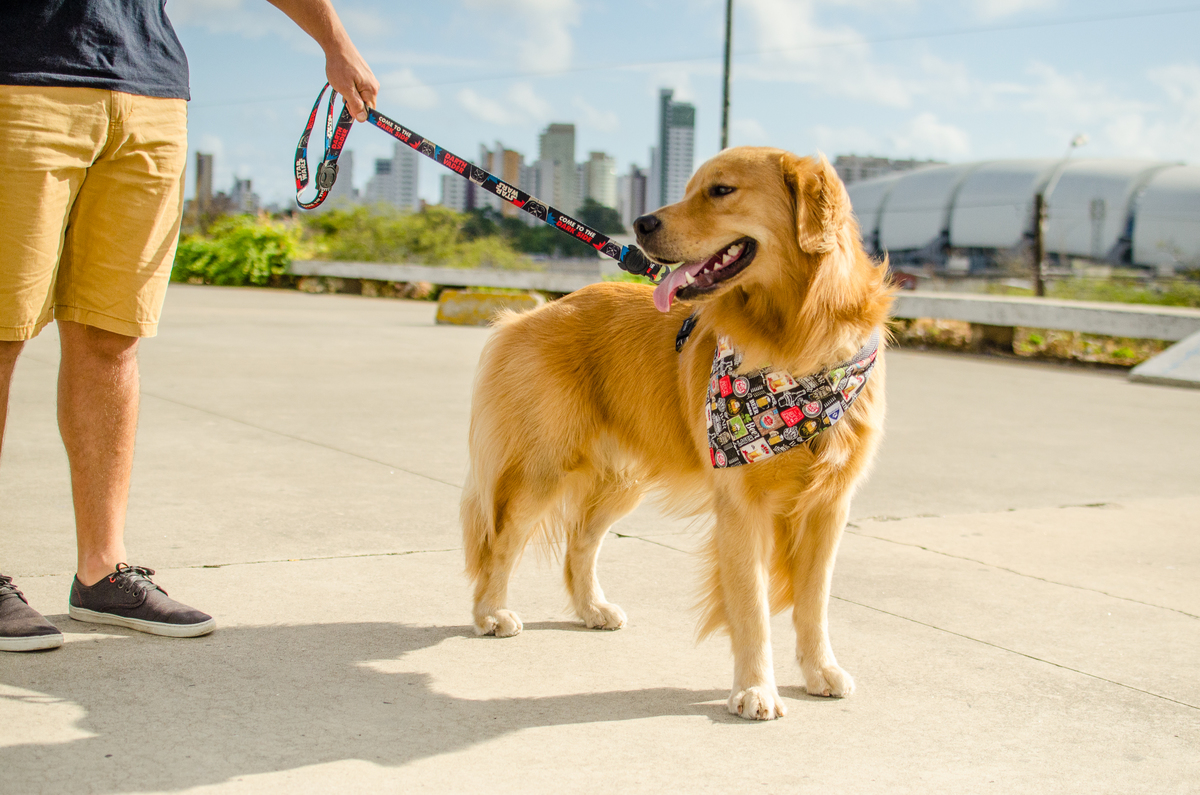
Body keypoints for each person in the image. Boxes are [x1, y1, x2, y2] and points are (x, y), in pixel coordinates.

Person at [0, 0, 379, 652]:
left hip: (148, 89)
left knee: (112, 337)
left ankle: (102, 572)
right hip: (21, 79)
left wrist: (335, 41)